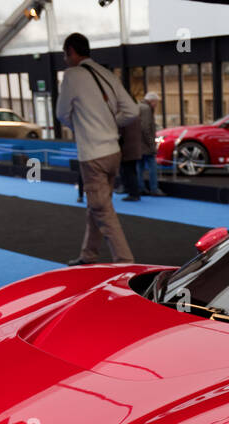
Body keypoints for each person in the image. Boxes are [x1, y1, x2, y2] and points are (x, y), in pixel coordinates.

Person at [55, 32, 139, 265]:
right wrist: (111, 123)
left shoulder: (72, 75)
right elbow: (132, 111)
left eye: (65, 54)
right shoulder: (107, 74)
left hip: (92, 154)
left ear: (71, 51)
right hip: (113, 151)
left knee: (101, 208)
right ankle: (88, 255)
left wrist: (81, 126)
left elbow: (62, 114)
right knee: (97, 204)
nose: (65, 59)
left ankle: (125, 263)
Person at [118, 94, 144, 202]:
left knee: (129, 172)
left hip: (127, 149)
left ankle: (133, 194)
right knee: (132, 171)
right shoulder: (136, 115)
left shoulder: (125, 116)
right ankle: (133, 192)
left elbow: (121, 132)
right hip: (135, 148)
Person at [138, 92, 164, 196]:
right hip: (145, 144)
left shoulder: (139, 106)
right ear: (152, 101)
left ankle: (141, 187)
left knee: (139, 166)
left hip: (138, 143)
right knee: (152, 166)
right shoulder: (146, 109)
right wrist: (151, 143)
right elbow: (145, 128)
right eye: (156, 103)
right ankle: (154, 188)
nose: (156, 105)